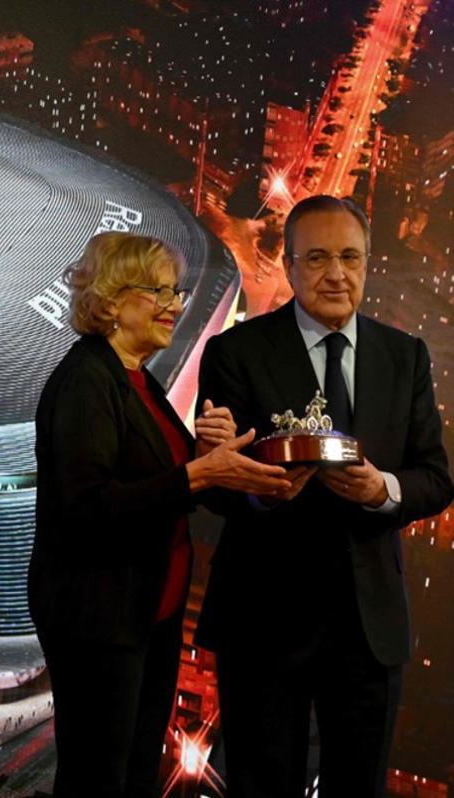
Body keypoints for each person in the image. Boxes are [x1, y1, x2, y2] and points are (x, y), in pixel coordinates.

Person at [195, 195, 454, 797]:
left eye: (348, 257)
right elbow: (214, 483)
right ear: (288, 266)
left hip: (370, 630)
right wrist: (263, 492)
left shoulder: (406, 356)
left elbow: (435, 477)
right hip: (264, 621)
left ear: (367, 263)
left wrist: (380, 489)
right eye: (316, 258)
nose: (336, 273)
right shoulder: (236, 351)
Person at [28, 232, 291, 797]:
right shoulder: (86, 381)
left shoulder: (137, 378)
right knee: (98, 778)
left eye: (176, 292)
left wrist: (215, 460)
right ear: (113, 300)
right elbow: (84, 509)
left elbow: (157, 481)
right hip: (99, 619)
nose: (175, 304)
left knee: (137, 774)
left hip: (150, 616)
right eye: (161, 292)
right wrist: (200, 473)